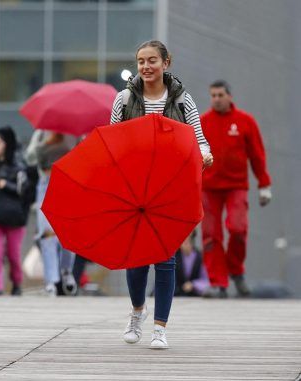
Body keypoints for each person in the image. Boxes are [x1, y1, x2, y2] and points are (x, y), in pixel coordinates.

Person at [109, 40, 213, 349]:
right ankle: (137, 312)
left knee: (166, 257)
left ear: (166, 63)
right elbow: (112, 139)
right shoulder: (124, 99)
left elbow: (199, 138)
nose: (145, 66)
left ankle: (159, 328)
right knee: (137, 257)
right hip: (135, 187)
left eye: (152, 60)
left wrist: (205, 154)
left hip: (171, 187)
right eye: (141, 61)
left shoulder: (182, 100)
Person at [200, 80, 272, 298]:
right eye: (213, 95)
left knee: (238, 229)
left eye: (220, 95)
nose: (216, 99)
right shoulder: (202, 122)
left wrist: (264, 184)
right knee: (211, 236)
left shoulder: (245, 121)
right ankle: (217, 283)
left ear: (229, 96)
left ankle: (236, 271)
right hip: (208, 188)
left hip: (236, 186)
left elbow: (257, 155)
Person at [25, 130, 84, 296]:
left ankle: (66, 270)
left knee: (67, 233)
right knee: (47, 233)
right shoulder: (41, 132)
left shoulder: (75, 133)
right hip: (45, 184)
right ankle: (51, 280)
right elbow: (29, 158)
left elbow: (84, 156)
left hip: (68, 184)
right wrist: (45, 143)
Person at [0, 126, 30, 296]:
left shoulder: (19, 166)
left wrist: (6, 185)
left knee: (13, 256)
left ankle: (17, 283)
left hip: (15, 219)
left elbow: (25, 191)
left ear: (7, 144)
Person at [174, 231, 210, 297]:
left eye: (188, 240)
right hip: (176, 294)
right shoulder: (175, 257)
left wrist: (193, 284)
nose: (186, 242)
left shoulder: (199, 257)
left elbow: (205, 280)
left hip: (194, 295)